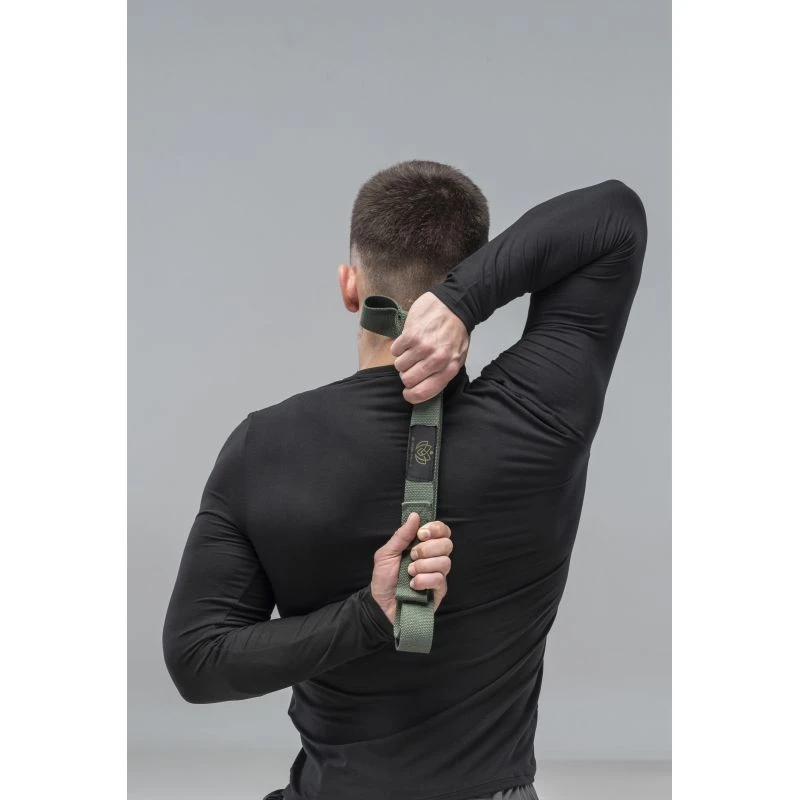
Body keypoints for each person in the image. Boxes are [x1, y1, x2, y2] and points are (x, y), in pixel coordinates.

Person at [162, 160, 647, 800]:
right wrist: (463, 300)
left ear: (350, 287)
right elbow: (613, 215)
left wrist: (366, 617)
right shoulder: (540, 418)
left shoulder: (264, 446)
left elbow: (198, 663)